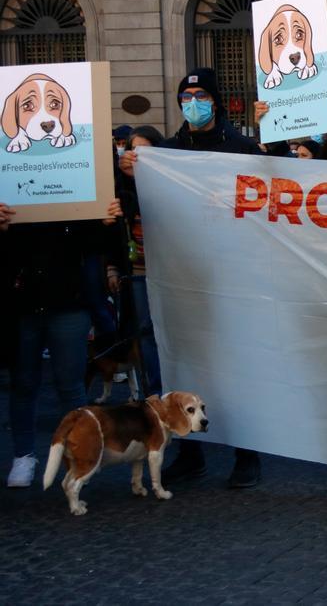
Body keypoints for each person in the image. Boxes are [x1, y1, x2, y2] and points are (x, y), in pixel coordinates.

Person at [158, 68, 263, 487]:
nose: (193, 102)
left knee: (239, 367)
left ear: (216, 100)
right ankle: (190, 451)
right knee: (185, 363)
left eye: (200, 94)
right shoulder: (165, 152)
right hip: (184, 274)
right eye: (186, 95)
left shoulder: (241, 148)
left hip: (237, 275)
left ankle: (247, 455)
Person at [2, 197, 125, 487]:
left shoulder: (74, 199)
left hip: (69, 301)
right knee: (23, 382)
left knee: (71, 385)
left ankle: (80, 457)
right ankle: (23, 455)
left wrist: (106, 223)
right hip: (21, 303)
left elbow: (93, 247)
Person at [116, 126, 167, 401]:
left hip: (170, 270)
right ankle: (153, 392)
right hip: (139, 271)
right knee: (145, 332)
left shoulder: (171, 183)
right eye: (134, 150)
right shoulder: (121, 185)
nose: (138, 157)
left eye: (146, 151)